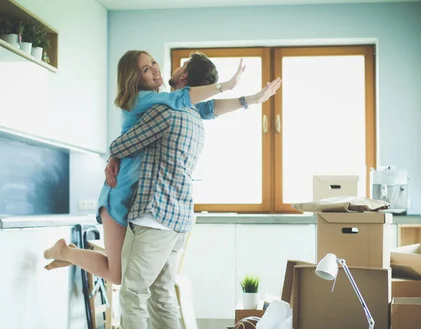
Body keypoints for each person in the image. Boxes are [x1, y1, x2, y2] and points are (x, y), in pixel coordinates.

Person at [105, 55, 281, 329]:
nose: (162, 69)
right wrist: (252, 99)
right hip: (179, 220)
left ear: (183, 75)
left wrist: (112, 153)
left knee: (133, 295)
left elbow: (122, 145)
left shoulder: (164, 112)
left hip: (153, 217)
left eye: (172, 65)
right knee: (161, 296)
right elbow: (212, 107)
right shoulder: (192, 116)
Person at [42, 50, 281, 287]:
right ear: (135, 79)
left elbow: (204, 109)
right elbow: (183, 100)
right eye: (146, 69)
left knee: (123, 269)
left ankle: (68, 253)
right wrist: (227, 85)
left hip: (136, 198)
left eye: (153, 62)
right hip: (119, 192)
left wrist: (251, 100)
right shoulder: (142, 100)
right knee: (118, 276)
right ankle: (65, 252)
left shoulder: (163, 102)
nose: (155, 68)